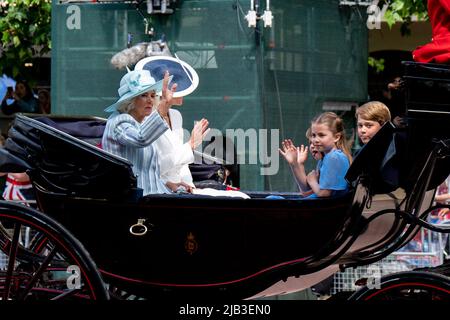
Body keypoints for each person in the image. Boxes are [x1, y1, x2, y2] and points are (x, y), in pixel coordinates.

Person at [101, 68, 207, 195]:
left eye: (152, 95)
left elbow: (147, 174)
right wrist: (162, 108)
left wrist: (168, 184)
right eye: (144, 95)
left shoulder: (142, 125)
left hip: (153, 196)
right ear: (130, 101)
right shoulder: (119, 122)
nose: (150, 100)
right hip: (130, 200)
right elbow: (141, 139)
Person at [279, 128, 323, 196]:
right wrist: (296, 164)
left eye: (315, 142)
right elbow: (305, 191)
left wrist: (312, 181)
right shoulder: (321, 162)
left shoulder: (332, 160)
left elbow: (307, 193)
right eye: (310, 143)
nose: (312, 146)